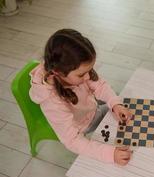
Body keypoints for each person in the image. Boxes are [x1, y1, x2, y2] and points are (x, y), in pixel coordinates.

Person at [29, 29, 132, 166]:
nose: (88, 77)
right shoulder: (52, 102)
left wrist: (115, 104)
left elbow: (99, 86)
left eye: (89, 70)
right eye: (81, 75)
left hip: (92, 110)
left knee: (121, 104)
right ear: (57, 72)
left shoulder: (72, 68)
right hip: (84, 128)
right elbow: (72, 140)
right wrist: (110, 154)